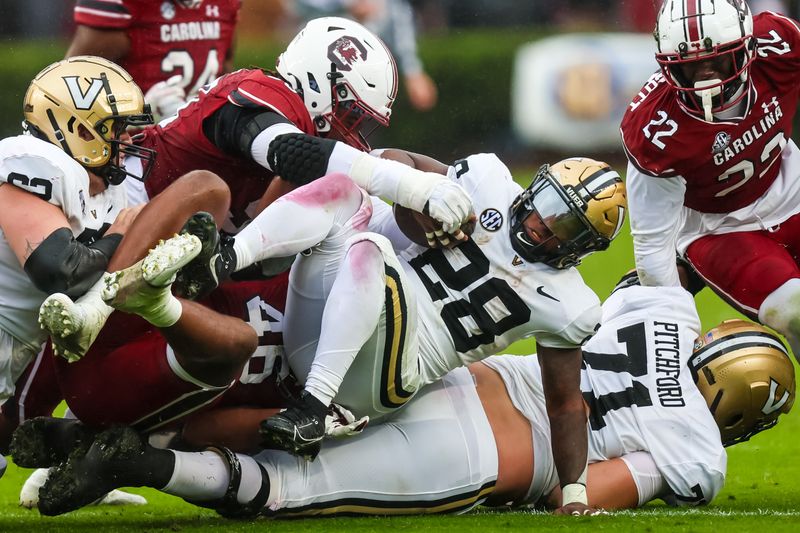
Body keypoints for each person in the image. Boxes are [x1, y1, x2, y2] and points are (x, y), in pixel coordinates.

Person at [26, 278, 796, 517]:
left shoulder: (663, 316)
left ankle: (139, 439)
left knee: (292, 425)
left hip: (467, 380)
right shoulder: (693, 451)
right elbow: (581, 495)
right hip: (480, 455)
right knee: (288, 489)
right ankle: (145, 467)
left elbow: (626, 298)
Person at [174, 153, 626, 514]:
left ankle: (314, 408)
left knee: (371, 248)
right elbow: (394, 162)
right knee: (345, 190)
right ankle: (226, 259)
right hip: (332, 321)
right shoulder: (487, 179)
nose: (543, 223)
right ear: (537, 186)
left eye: (565, 225)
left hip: (378, 380)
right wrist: (421, 202)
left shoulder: (571, 305)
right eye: (548, 205)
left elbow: (565, 403)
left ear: (583, 246)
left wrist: (575, 494)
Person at [40, 16, 473, 360]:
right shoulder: (264, 92)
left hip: (160, 257)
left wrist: (460, 185)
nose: (350, 130)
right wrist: (412, 186)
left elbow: (262, 257)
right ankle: (94, 308)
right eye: (348, 111)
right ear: (321, 83)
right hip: (118, 212)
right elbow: (290, 151)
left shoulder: (298, 147)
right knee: (208, 191)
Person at [619, 1, 800, 358]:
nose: (707, 78)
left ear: (749, 46)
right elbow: (652, 249)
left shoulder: (779, 44)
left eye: (717, 60)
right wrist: (679, 340)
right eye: (690, 68)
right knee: (794, 311)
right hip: (720, 231)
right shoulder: (656, 131)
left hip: (791, 189)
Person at [67, 0, 242, 119]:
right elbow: (70, 89)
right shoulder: (123, 6)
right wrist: (137, 117)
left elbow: (225, 74)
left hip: (203, 139)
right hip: (135, 150)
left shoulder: (224, 4)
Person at [291, 0, 438, 111]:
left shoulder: (392, 8)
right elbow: (300, 5)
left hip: (364, 77)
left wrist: (413, 71)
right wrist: (349, 4)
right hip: (316, 68)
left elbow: (399, 19)